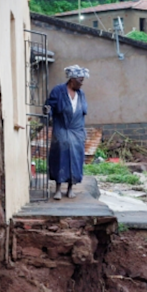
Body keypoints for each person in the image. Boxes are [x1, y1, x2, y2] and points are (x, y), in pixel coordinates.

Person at [43, 65, 89, 200]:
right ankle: (57, 188)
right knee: (60, 156)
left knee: (75, 158)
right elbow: (50, 106)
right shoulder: (58, 91)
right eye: (80, 80)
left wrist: (82, 134)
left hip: (76, 131)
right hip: (62, 128)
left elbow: (82, 114)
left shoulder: (81, 94)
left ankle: (70, 188)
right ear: (72, 80)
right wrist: (47, 111)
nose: (82, 83)